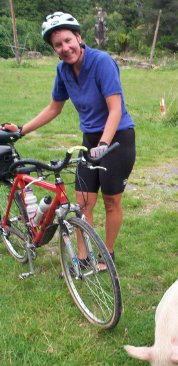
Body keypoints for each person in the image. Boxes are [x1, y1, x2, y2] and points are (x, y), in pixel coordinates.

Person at [1, 12, 136, 268]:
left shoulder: (102, 62)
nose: (65, 48)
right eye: (58, 45)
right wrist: (22, 129)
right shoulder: (63, 70)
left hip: (117, 138)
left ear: (78, 36)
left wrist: (104, 145)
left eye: (67, 40)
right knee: (84, 202)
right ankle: (84, 257)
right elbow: (54, 107)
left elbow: (115, 109)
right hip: (90, 140)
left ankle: (107, 255)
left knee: (110, 201)